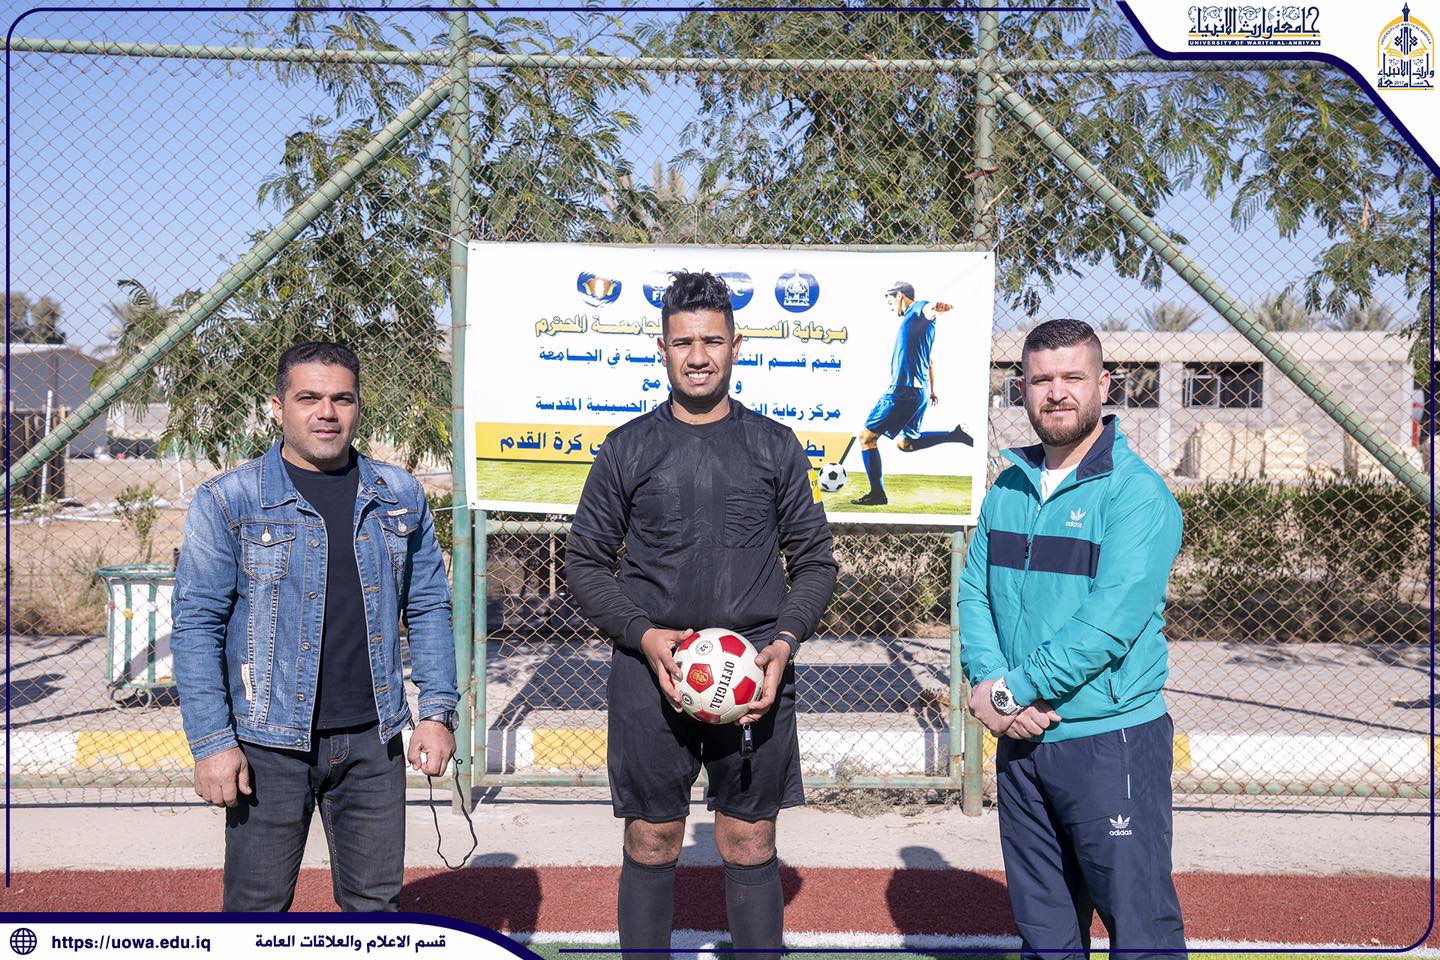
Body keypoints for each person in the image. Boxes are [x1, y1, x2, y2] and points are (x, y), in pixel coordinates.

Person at [564, 270, 838, 959]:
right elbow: (585, 563)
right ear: (661, 349)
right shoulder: (627, 447)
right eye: (683, 342)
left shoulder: (775, 445)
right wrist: (644, 635)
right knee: (652, 837)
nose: (697, 356)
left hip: (754, 676)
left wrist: (783, 643)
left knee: (749, 838)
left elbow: (815, 562)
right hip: (650, 671)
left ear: (736, 347)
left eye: (712, 341)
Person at [172, 341, 458, 912]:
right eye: (308, 398)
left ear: (357, 407)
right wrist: (212, 742)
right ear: (277, 407)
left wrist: (436, 713)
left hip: (374, 742)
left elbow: (429, 606)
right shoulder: (229, 500)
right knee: (256, 911)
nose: (327, 412)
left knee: (376, 911)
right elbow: (197, 625)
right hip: (267, 745)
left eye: (341, 399)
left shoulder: (398, 495)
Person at [959, 318, 1187, 959]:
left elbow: (1105, 626)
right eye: (1041, 380)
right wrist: (990, 682)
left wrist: (1011, 693)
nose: (1056, 393)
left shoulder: (1137, 495)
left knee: (1141, 934)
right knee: (1046, 937)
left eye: (1072, 377)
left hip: (1109, 742)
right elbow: (974, 594)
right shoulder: (1008, 486)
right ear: (1022, 390)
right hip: (1022, 743)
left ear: (1103, 385)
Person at [851, 280, 974, 506]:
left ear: (900, 296)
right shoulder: (915, 327)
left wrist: (936, 307)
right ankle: (954, 435)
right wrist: (932, 390)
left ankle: (877, 494)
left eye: (891, 302)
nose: (891, 308)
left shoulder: (917, 310)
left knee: (866, 438)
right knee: (906, 443)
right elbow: (930, 361)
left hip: (904, 391)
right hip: (920, 392)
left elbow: (928, 308)